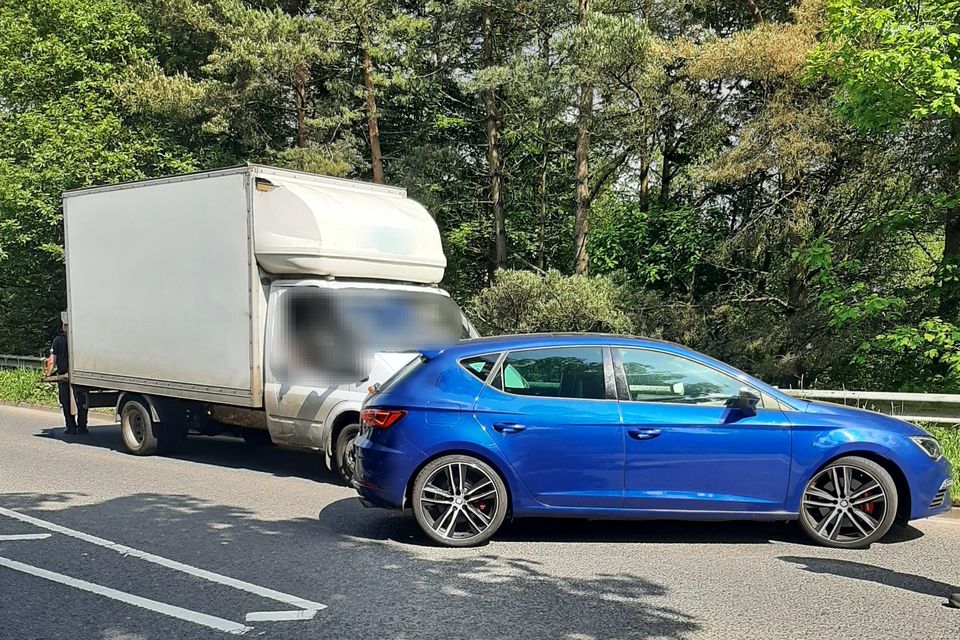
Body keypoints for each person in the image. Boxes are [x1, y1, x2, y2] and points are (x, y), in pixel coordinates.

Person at [46, 312, 88, 435]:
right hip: (81, 376)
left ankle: (71, 427)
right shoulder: (80, 340)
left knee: (65, 402)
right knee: (82, 401)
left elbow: (52, 361)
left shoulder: (58, 341)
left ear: (64, 326)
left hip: (64, 377)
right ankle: (82, 427)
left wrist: (48, 375)